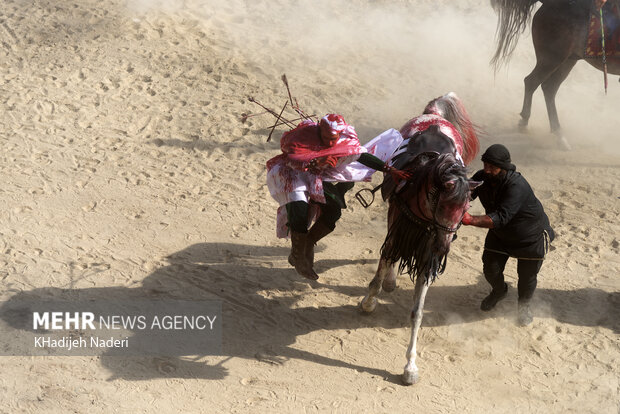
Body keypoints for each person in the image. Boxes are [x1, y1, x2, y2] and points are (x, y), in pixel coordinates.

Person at [266, 114, 409, 281]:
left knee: (333, 211)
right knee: (299, 206)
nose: (330, 143)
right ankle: (298, 256)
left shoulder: (345, 139)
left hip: (323, 175)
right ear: (319, 129)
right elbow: (293, 157)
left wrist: (389, 170)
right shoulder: (301, 136)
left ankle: (309, 243)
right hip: (293, 173)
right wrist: (313, 160)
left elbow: (360, 155)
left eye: (333, 139)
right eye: (326, 138)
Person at [461, 144, 554, 326]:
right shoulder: (482, 177)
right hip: (500, 236)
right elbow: (466, 194)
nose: (487, 170)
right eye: (485, 165)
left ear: (503, 167)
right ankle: (499, 291)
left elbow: (501, 217)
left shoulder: (516, 185)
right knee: (490, 269)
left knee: (526, 279)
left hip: (529, 238)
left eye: (492, 167)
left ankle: (524, 307)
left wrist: (470, 219)